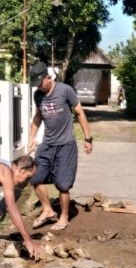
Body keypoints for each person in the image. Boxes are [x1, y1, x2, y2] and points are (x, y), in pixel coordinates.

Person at [28, 61, 93, 231]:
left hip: (66, 145)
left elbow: (79, 113)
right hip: (47, 145)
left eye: (41, 83)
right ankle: (48, 210)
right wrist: (31, 137)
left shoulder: (65, 91)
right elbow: (38, 117)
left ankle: (64, 217)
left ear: (48, 77)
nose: (39, 87)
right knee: (35, 178)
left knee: (63, 185)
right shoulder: (38, 95)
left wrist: (88, 138)